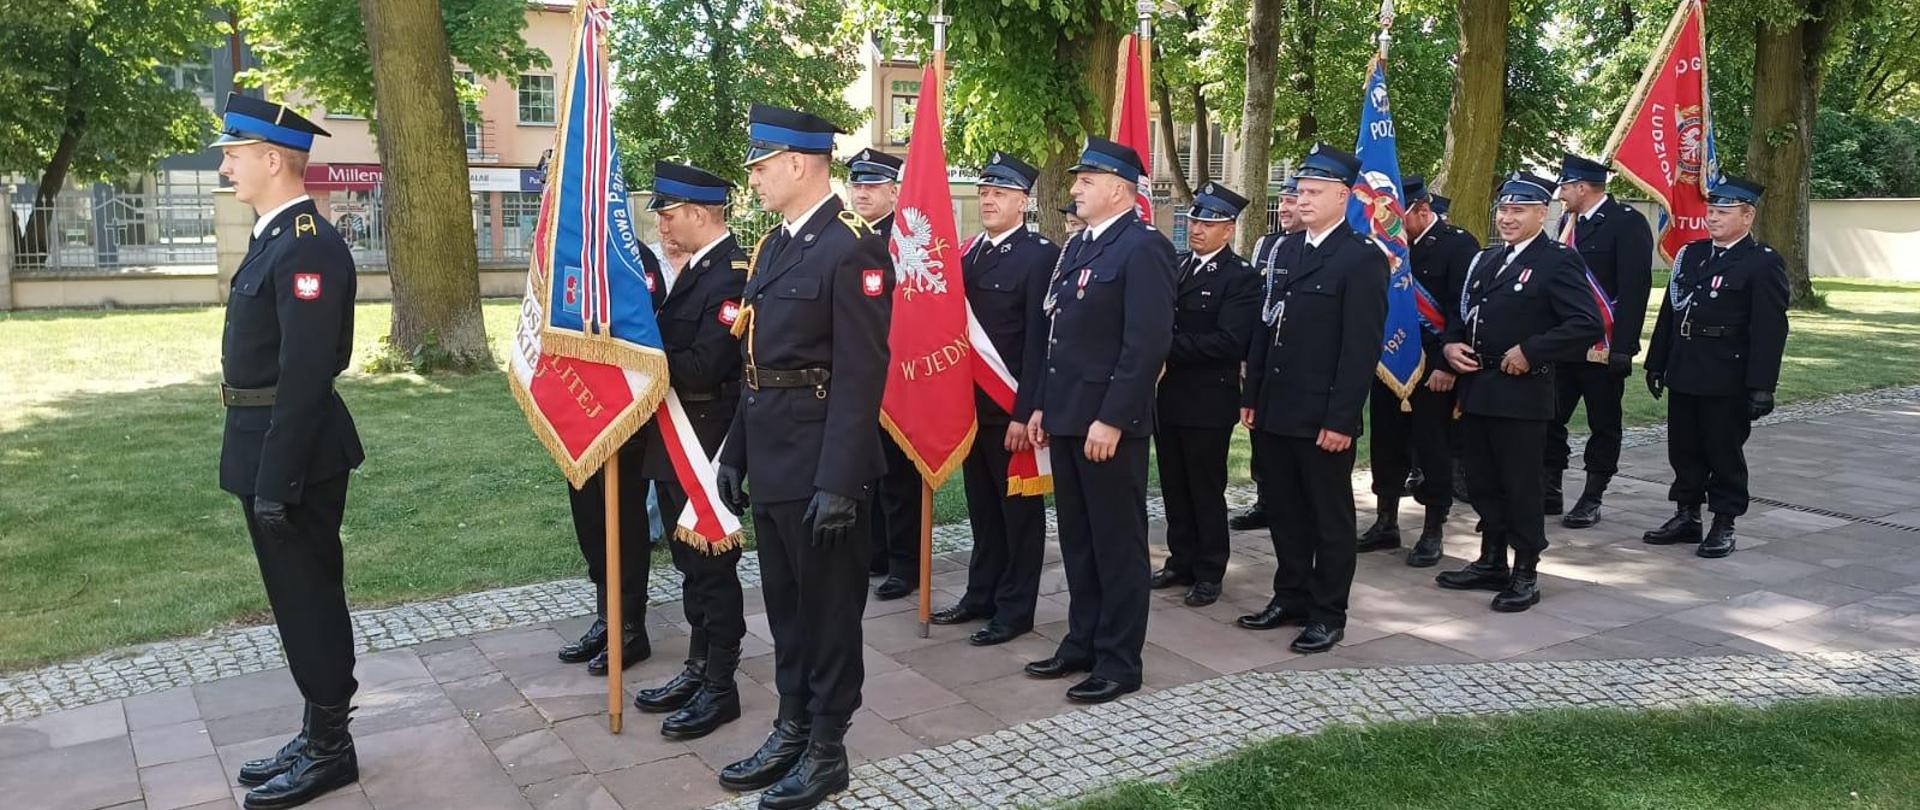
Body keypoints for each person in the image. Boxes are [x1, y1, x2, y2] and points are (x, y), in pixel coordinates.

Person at [712, 104, 892, 809]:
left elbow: (860, 371)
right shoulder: (777, 245)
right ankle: (791, 728)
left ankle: (826, 750)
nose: (753, 179)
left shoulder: (852, 248)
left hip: (823, 465)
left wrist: (842, 480)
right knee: (786, 611)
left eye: (760, 166)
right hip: (776, 459)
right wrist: (734, 450)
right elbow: (759, 362)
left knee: (827, 614)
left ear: (798, 164)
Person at [213, 92, 364, 810]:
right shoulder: (279, 236)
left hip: (292, 451)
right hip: (265, 442)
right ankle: (317, 729)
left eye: (234, 154)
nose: (225, 166)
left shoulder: (305, 244)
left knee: (309, 601)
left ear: (273, 158)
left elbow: (306, 372)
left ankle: (332, 750)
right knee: (295, 600)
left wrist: (277, 478)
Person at [1018, 137, 1175, 703]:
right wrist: (1042, 406)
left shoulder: (1143, 248)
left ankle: (1118, 659)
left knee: (1117, 543)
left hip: (1108, 426)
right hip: (1066, 417)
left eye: (1085, 180)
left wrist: (1112, 418)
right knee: (1079, 540)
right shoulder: (1081, 245)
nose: (1075, 187)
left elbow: (1147, 345)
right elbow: (1058, 336)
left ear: (1118, 189)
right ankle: (1081, 640)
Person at [1235, 145, 1387, 654]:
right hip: (1277, 407)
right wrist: (1252, 393)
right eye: (1300, 191)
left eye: (1314, 192)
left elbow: (1359, 348)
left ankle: (1328, 612)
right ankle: (1290, 595)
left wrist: (1342, 418)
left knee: (1329, 517)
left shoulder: (1360, 257)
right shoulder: (1286, 250)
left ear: (1344, 197)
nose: (1302, 199)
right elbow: (1264, 328)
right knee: (1283, 510)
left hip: (1322, 413)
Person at [1435, 172, 1603, 612]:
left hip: (1521, 392)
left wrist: (1532, 349)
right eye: (1503, 210)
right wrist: (1451, 344)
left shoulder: (1558, 260)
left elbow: (1586, 323)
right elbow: (1463, 313)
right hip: (1478, 387)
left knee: (1520, 484)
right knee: (1482, 480)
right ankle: (1491, 558)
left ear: (1541, 213)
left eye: (1518, 210)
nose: (1507, 218)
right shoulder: (1489, 260)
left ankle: (1526, 569)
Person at [628, 161, 750, 741]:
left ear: (701, 214)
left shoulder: (730, 274)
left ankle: (720, 685)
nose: (664, 225)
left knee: (712, 568)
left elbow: (705, 365)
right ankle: (699, 667)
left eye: (670, 214)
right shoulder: (695, 270)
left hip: (706, 440)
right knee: (688, 565)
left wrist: (634, 353)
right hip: (675, 438)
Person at [931, 152, 1059, 645]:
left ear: (1023, 202)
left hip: (1010, 410)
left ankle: (1015, 609)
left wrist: (1025, 411)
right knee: (983, 511)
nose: (988, 200)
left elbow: (1038, 341)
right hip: (970, 409)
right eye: (984, 192)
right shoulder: (967, 253)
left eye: (1000, 193)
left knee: (1018, 517)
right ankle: (980, 594)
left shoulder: (1040, 256)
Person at [1642, 176, 1789, 558]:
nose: (1713, 219)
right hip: (1686, 366)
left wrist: (1762, 385)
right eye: (1711, 211)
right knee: (1684, 447)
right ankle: (1687, 515)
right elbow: (1671, 314)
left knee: (1722, 450)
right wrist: (1657, 362)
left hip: (1727, 373)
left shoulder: (1762, 263)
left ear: (1748, 216)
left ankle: (1724, 521)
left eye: (1723, 212)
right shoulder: (1692, 255)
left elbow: (1769, 330)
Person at [1356, 175, 1478, 567]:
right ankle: (1386, 520)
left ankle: (1433, 527)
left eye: (1397, 215)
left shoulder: (1458, 245)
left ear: (1422, 210)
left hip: (1433, 366)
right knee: (1386, 442)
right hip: (1388, 362)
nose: (1387, 223)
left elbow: (1464, 310)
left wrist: (1447, 364)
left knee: (1432, 447)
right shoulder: (1385, 247)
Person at [1150, 182, 1260, 607]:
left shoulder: (1241, 277)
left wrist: (1163, 347)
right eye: (1195, 219)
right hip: (1169, 396)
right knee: (1174, 486)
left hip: (1207, 400)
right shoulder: (1177, 266)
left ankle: (1210, 570)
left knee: (1204, 487)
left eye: (1209, 222)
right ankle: (1181, 560)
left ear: (1228, 230)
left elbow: (1230, 341)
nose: (1197, 228)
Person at [1546, 153, 1653, 527]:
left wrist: (1623, 346)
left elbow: (1635, 288)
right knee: (1549, 417)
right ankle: (1550, 487)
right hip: (1564, 344)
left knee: (1603, 424)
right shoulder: (1567, 222)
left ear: (1581, 187)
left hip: (1602, 347)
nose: (1560, 193)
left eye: (1564, 186)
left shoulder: (1626, 223)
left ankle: (1592, 496)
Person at [846, 148, 921, 602]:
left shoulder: (905, 241)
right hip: (859, 375)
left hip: (899, 374)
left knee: (898, 477)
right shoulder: (846, 237)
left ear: (894, 191)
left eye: (872, 186)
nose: (862, 193)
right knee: (864, 473)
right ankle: (874, 551)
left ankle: (905, 563)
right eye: (857, 185)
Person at [1231, 175, 1304, 533]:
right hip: (1264, 358)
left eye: (1294, 200)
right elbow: (1257, 305)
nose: (1286, 208)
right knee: (1260, 434)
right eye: (1285, 201)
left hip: (1299, 363)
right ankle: (1265, 500)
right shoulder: (1268, 245)